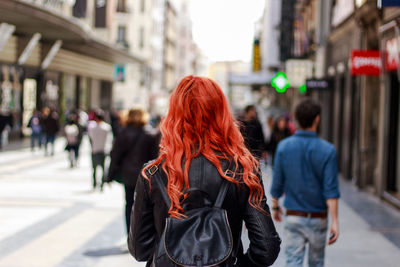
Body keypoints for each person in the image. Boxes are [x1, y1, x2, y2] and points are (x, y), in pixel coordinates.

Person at [129, 76, 281, 266]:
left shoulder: (152, 173)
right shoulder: (243, 169)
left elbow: (140, 250)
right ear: (221, 114)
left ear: (174, 115)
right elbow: (267, 248)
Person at [270, 98, 340, 267]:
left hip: (294, 216)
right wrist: (335, 221)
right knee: (317, 263)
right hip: (318, 218)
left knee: (293, 262)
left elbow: (277, 184)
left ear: (296, 119)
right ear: (317, 119)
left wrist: (275, 206)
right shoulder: (328, 150)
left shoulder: (284, 147)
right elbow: (330, 190)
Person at [106, 109, 159, 235]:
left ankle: (130, 235)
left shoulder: (123, 132)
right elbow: (155, 157)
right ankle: (141, 235)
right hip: (145, 175)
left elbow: (115, 155)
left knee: (129, 204)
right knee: (145, 206)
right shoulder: (150, 134)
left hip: (128, 175)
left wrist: (110, 174)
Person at [87, 109, 112, 191]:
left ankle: (94, 183)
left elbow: (90, 137)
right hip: (103, 150)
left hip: (94, 149)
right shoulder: (107, 127)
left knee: (94, 169)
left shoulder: (91, 127)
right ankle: (102, 184)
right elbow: (110, 139)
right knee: (103, 168)